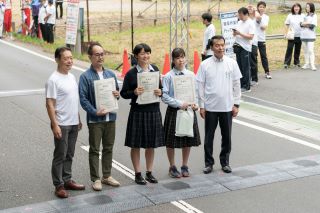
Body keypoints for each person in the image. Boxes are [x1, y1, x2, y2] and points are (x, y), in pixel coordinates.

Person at [196, 35, 242, 174]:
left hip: (227, 106)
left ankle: (225, 162)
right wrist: (202, 106)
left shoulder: (231, 63)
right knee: (209, 137)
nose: (221, 48)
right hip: (210, 107)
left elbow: (236, 85)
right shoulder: (205, 64)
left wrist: (236, 104)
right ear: (212, 47)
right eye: (217, 45)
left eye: (222, 45)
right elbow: (200, 86)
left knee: (226, 137)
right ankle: (208, 163)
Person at [120, 43, 164, 185]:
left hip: (153, 111)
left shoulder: (155, 70)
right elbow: (123, 93)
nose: (146, 56)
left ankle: (149, 172)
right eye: (143, 53)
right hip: (138, 112)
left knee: (151, 144)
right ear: (136, 56)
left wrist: (160, 92)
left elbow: (162, 89)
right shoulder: (131, 74)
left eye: (148, 53)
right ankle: (138, 173)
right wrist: (134, 92)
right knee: (136, 144)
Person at [79, 42, 121, 191]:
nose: (100, 57)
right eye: (97, 54)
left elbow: (116, 93)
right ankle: (95, 178)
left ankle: (107, 175)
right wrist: (94, 111)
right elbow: (83, 99)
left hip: (110, 117)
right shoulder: (85, 77)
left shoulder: (110, 74)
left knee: (108, 147)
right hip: (95, 119)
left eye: (102, 54)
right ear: (90, 57)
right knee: (95, 149)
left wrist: (117, 94)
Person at [45, 47, 85, 199]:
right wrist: (54, 124)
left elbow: (72, 100)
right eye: (66, 58)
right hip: (61, 123)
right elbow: (49, 104)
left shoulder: (71, 77)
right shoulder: (53, 80)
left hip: (73, 122)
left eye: (71, 58)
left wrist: (78, 118)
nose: (69, 61)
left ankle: (67, 180)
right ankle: (59, 185)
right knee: (60, 154)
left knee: (70, 153)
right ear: (57, 60)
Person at [162, 48, 201, 178]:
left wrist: (196, 105)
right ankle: (172, 166)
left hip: (189, 109)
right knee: (171, 140)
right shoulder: (168, 76)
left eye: (183, 57)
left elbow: (196, 93)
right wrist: (179, 103)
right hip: (174, 111)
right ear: (173, 60)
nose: (181, 60)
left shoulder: (191, 75)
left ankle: (184, 165)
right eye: (178, 58)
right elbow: (164, 96)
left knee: (188, 138)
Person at [233, 7, 254, 93]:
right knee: (239, 66)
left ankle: (247, 86)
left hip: (245, 47)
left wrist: (239, 33)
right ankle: (241, 84)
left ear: (246, 14)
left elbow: (251, 36)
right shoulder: (239, 22)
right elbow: (236, 34)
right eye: (238, 14)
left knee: (246, 67)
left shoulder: (250, 23)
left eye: (240, 15)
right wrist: (234, 33)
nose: (239, 16)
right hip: (238, 46)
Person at [283, 3, 303, 69]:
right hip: (291, 35)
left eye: (297, 7)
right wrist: (285, 33)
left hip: (300, 35)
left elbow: (305, 24)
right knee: (289, 49)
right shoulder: (290, 15)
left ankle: (296, 62)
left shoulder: (302, 15)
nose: (296, 8)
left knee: (297, 49)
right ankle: (286, 63)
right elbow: (286, 24)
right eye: (295, 7)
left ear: (300, 8)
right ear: (293, 8)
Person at [256, 1, 272, 79]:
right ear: (257, 8)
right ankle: (254, 73)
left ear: (265, 8)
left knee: (263, 56)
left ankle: (267, 72)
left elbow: (263, 28)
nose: (261, 8)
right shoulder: (254, 16)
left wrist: (260, 19)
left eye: (263, 7)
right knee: (254, 57)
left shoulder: (266, 17)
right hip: (254, 40)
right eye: (260, 7)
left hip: (261, 39)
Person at [300, 2, 317, 71]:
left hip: (311, 36)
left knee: (310, 50)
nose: (307, 8)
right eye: (306, 7)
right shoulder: (305, 16)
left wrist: (305, 24)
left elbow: (312, 26)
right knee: (305, 51)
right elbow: (300, 24)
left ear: (311, 8)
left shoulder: (314, 16)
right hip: (303, 35)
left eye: (308, 7)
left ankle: (312, 64)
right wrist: (306, 24)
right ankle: (306, 63)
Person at [247, 5, 259, 86]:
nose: (250, 9)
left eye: (251, 8)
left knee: (253, 61)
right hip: (246, 43)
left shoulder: (256, 18)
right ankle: (249, 78)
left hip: (254, 42)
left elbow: (259, 17)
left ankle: (255, 79)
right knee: (247, 62)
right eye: (248, 8)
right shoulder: (246, 19)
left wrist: (255, 10)